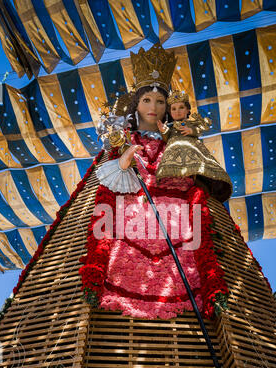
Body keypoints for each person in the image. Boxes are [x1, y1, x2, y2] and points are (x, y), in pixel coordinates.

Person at [79, 44, 230, 320]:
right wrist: (123, 160)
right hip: (130, 215)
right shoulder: (123, 139)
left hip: (179, 217)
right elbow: (109, 183)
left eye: (160, 102)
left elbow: (201, 176)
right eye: (147, 100)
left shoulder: (179, 141)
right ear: (136, 104)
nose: (154, 107)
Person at [156, 91, 232, 203]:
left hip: (192, 149)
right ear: (170, 112)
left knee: (196, 171)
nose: (177, 111)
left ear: (187, 110)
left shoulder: (191, 123)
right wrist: (164, 131)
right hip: (174, 152)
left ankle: (196, 182)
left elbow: (200, 129)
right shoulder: (171, 127)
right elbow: (167, 137)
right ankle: (181, 182)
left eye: (181, 107)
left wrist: (191, 130)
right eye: (174, 109)